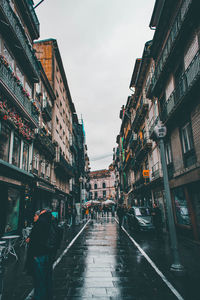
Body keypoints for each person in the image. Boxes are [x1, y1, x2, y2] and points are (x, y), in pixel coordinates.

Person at [25, 208, 60, 300]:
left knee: (39, 280)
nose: (34, 217)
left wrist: (30, 240)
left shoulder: (40, 223)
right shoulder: (51, 222)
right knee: (47, 278)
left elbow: (36, 240)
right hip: (49, 254)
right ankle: (48, 296)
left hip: (39, 255)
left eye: (35, 216)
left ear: (39, 215)